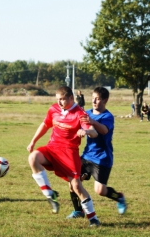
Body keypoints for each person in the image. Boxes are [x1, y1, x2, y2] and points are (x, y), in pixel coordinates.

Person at [27, 86, 100, 227]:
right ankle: (50, 195)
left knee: (76, 187)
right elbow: (45, 124)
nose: (59, 102)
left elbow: (94, 132)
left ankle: (93, 218)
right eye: (57, 99)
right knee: (33, 158)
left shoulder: (80, 113)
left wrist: (86, 132)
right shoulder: (53, 109)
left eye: (62, 99)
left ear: (71, 98)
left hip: (69, 152)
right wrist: (33, 141)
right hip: (52, 148)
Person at [66, 87, 127, 219]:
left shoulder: (107, 116)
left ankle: (119, 197)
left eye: (97, 98)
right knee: (72, 181)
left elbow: (104, 131)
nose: (94, 101)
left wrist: (91, 122)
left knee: (100, 190)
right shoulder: (86, 112)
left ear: (105, 100)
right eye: (93, 97)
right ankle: (78, 210)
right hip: (87, 155)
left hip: (102, 159)